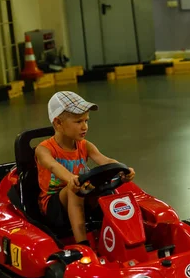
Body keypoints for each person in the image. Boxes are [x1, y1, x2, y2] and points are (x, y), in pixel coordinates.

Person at [35, 91, 135, 246]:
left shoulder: (84, 145)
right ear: (58, 123)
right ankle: (83, 244)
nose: (84, 126)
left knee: (106, 189)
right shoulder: (44, 149)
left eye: (86, 121)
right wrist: (71, 179)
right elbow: (53, 166)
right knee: (74, 190)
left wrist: (121, 169)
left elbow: (104, 160)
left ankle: (123, 236)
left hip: (82, 195)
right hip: (53, 208)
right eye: (78, 121)